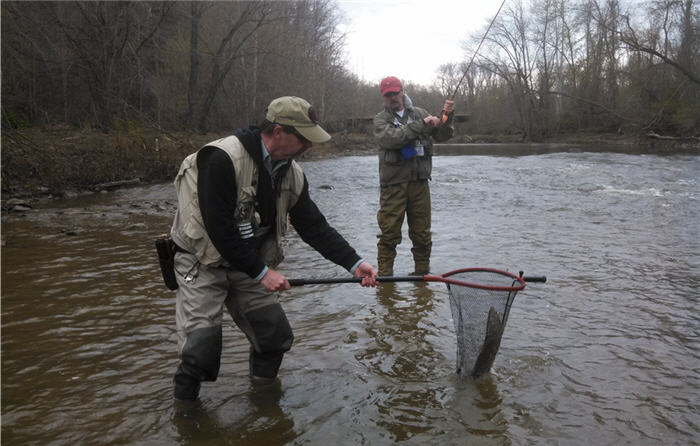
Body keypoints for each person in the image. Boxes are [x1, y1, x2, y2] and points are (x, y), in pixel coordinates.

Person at [169, 96, 378, 401]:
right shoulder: (222, 159)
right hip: (201, 262)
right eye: (303, 139)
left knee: (275, 337)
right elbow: (219, 231)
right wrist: (262, 272)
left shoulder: (292, 174)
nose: (309, 146)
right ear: (278, 132)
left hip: (246, 264)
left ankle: (264, 400)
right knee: (199, 352)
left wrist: (353, 262)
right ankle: (186, 416)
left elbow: (313, 226)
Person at [373, 76, 455, 276]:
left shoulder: (420, 113)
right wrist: (420, 125)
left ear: (402, 91)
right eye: (388, 95)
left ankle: (422, 278)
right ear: (384, 97)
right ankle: (385, 282)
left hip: (420, 184)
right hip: (393, 186)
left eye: (395, 93)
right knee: (389, 235)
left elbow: (443, 135)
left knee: (422, 235)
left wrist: (447, 117)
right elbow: (392, 139)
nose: (393, 97)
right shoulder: (380, 120)